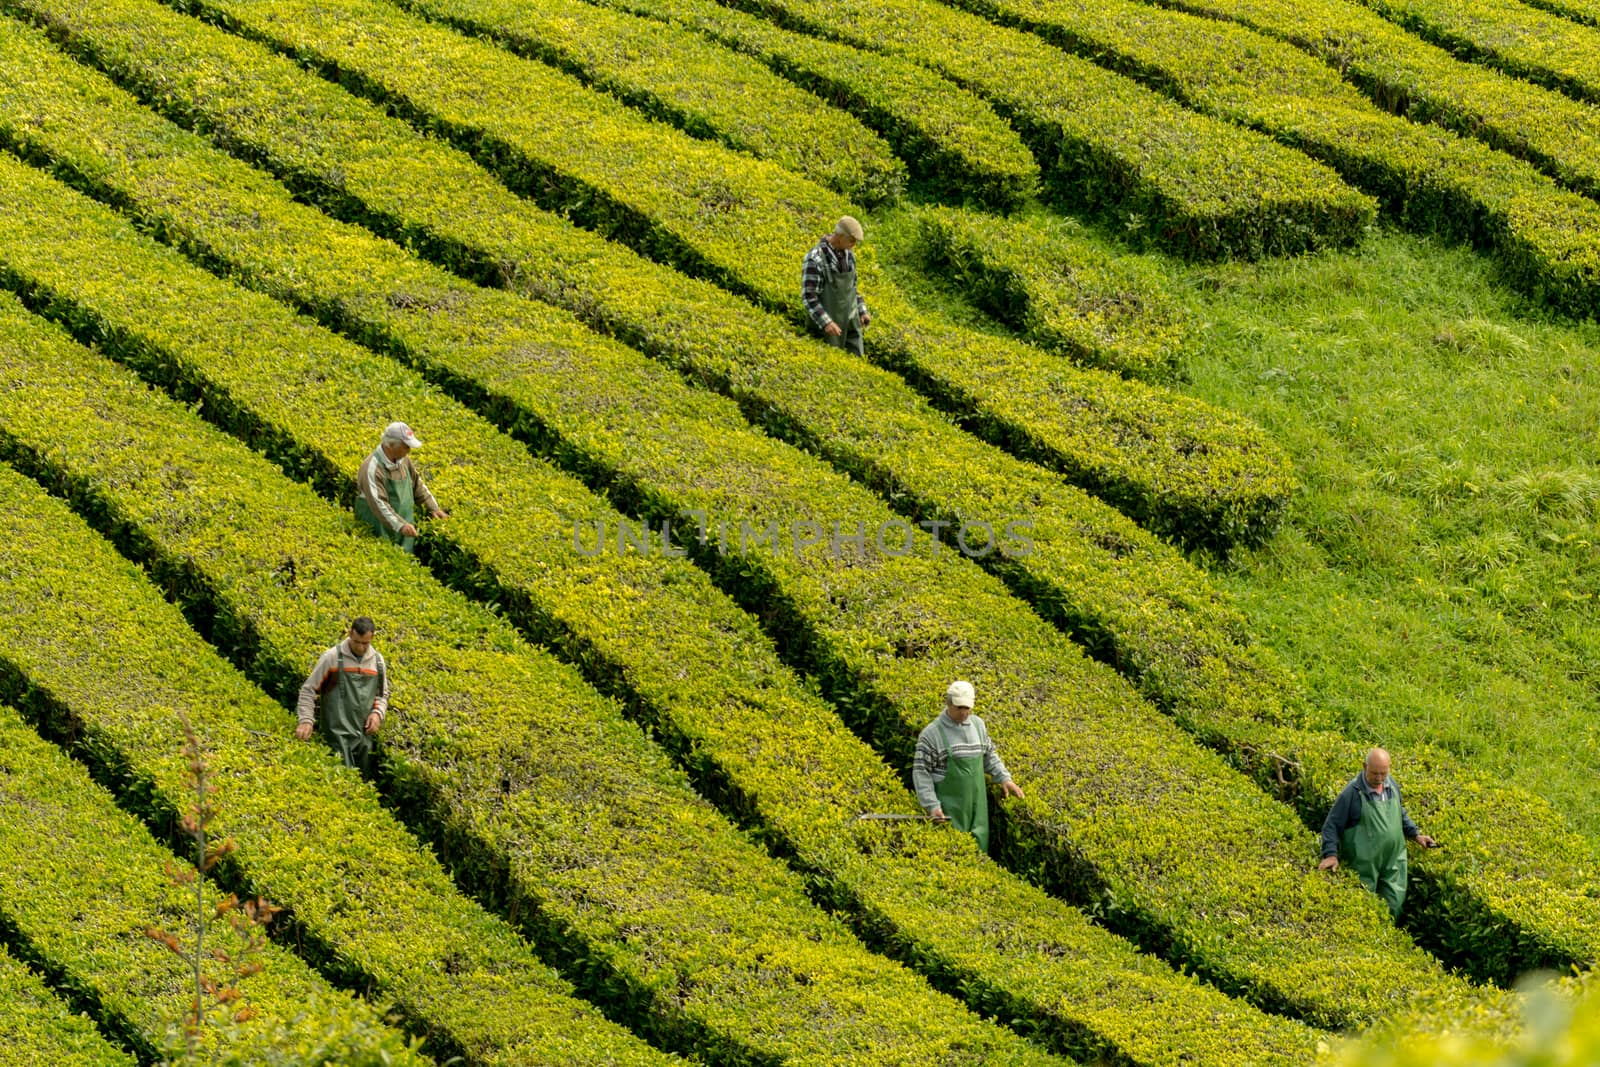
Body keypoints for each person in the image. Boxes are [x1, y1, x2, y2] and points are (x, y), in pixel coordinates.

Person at [1318, 747, 1437, 919]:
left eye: (1383, 773)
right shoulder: (1351, 794)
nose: (1379, 778)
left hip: (1393, 860)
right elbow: (1331, 824)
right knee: (1363, 909)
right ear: (1364, 766)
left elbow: (1399, 813)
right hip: (1363, 864)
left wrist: (1416, 834)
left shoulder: (1392, 786)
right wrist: (1330, 854)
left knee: (1393, 905)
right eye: (1375, 773)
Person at [912, 680, 1024, 853]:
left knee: (979, 851)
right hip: (949, 808)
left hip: (977, 806)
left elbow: (989, 755)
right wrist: (932, 805)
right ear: (948, 703)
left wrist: (1004, 778)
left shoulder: (978, 726)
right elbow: (921, 772)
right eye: (959, 708)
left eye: (967, 708)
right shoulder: (931, 734)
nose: (964, 712)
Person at [296, 617, 390, 771]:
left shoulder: (378, 662)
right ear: (350, 634)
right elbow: (309, 690)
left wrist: (377, 713)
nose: (360, 647)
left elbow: (382, 694)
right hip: (335, 738)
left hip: (364, 739)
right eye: (356, 642)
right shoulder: (331, 657)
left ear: (372, 637)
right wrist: (306, 720)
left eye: (365, 643)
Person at [355, 421, 447, 554]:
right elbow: (378, 503)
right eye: (406, 446)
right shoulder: (372, 468)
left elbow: (417, 484)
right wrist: (400, 525)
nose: (409, 450)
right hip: (379, 527)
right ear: (391, 445)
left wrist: (433, 508)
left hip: (404, 525)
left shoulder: (404, 460)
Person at [801, 216, 872, 355]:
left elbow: (852, 288)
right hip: (826, 329)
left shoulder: (849, 256)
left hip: (850, 325)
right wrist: (826, 322)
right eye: (852, 240)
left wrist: (862, 311)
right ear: (839, 237)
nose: (854, 244)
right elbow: (809, 296)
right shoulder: (815, 258)